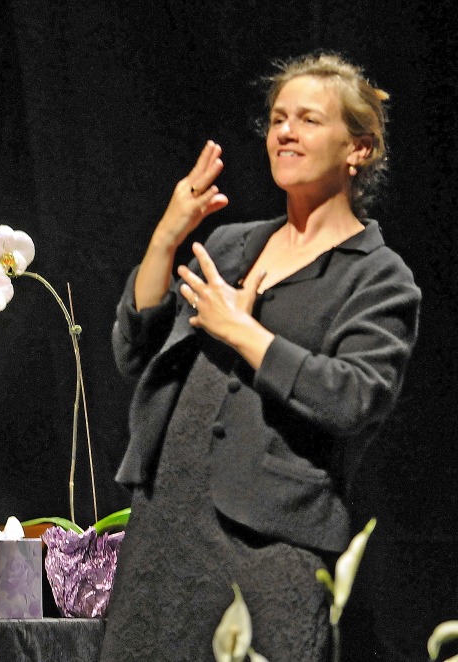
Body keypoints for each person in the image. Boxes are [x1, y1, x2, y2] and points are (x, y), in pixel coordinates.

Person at [99, 53, 420, 661]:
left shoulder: (379, 277)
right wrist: (167, 236)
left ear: (359, 149)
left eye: (308, 120)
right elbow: (137, 353)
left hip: (268, 548)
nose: (285, 133)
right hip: (165, 535)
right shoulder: (231, 244)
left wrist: (244, 333)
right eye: (277, 119)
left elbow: (354, 398)